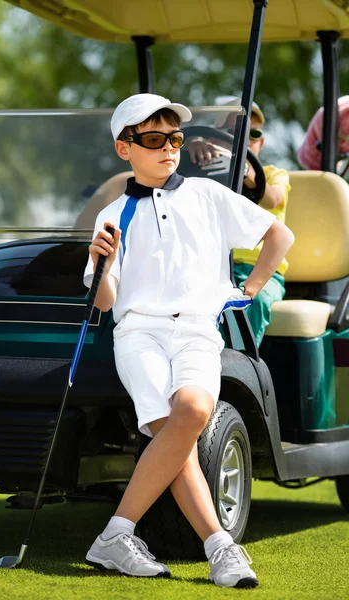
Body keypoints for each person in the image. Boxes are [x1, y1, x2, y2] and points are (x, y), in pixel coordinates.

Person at [83, 93, 294, 588]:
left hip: (198, 331)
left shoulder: (207, 195)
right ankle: (221, 548)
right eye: (154, 140)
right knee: (171, 434)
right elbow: (106, 302)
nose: (169, 149)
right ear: (124, 148)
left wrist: (249, 290)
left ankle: (116, 532)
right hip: (138, 335)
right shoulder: (113, 214)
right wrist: (104, 265)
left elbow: (278, 237)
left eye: (174, 138)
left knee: (193, 413)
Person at [188, 98, 291, 345]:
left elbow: (272, 198)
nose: (244, 139)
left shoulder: (273, 174)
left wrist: (246, 172)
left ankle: (238, 370)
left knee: (253, 302)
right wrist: (193, 149)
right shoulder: (206, 174)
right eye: (234, 133)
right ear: (215, 138)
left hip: (261, 271)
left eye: (252, 133)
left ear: (261, 142)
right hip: (211, 267)